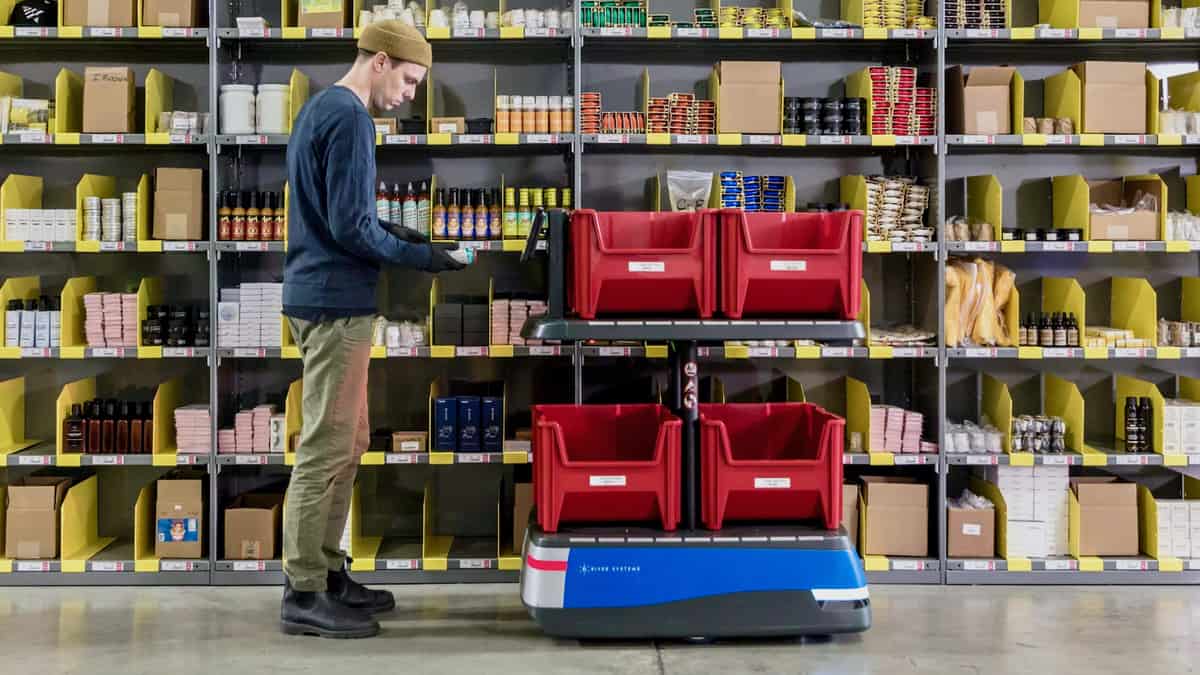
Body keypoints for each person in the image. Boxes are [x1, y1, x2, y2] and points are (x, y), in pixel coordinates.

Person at [280, 20, 467, 640]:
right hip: (335, 304)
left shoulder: (320, 108)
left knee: (349, 440)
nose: (412, 94)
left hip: (328, 297)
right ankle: (303, 590)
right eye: (410, 80)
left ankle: (329, 573)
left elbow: (344, 214)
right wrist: (423, 256)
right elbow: (352, 228)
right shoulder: (352, 117)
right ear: (381, 61)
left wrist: (401, 234)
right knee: (325, 449)